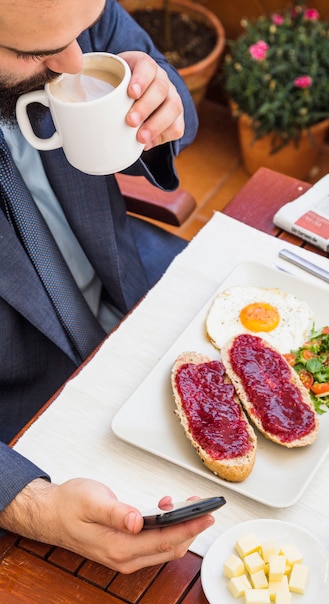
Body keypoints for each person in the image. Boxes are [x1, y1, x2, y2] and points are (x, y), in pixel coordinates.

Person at [0, 0, 215, 573]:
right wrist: (29, 503)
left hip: (135, 286)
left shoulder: (60, 13)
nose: (74, 58)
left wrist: (159, 103)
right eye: (30, 53)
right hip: (25, 415)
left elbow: (179, 111)